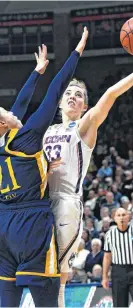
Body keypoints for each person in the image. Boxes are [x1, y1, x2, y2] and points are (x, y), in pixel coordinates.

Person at [0, 28, 88, 307]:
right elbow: (56, 91)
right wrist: (77, 52)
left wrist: (36, 71)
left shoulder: (7, 139)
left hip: (2, 224)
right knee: (46, 298)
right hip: (30, 223)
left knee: (7, 300)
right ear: (3, 124)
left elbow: (21, 103)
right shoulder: (26, 137)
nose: (11, 111)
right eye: (4, 113)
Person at [43, 42, 133, 307]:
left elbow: (111, 94)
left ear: (85, 106)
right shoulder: (44, 132)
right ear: (59, 101)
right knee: (37, 268)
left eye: (79, 94)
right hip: (37, 201)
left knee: (58, 272)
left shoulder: (84, 126)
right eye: (69, 92)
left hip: (66, 202)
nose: (73, 96)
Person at [102, 208, 133, 307]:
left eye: (124, 215)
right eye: (118, 215)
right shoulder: (109, 234)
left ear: (128, 217)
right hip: (118, 271)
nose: (121, 218)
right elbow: (107, 257)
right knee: (119, 304)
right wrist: (105, 277)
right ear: (114, 218)